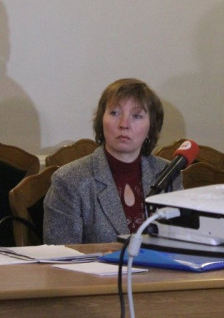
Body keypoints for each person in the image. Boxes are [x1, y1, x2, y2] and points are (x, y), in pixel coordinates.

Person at [44, 78, 181, 244]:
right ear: (101, 120)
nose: (124, 124)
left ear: (151, 127)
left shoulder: (167, 174)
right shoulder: (69, 180)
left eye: (136, 116)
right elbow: (61, 254)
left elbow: (182, 242)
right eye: (115, 113)